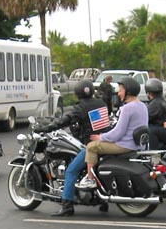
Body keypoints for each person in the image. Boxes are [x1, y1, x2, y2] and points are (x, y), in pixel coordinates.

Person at [49, 80, 111, 216]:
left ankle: (67, 205)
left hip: (92, 146)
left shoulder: (80, 108)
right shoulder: (101, 103)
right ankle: (102, 201)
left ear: (77, 93)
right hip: (106, 142)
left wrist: (47, 127)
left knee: (71, 171)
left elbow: (64, 121)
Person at [78, 78, 148, 189]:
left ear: (128, 91)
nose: (118, 93)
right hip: (137, 145)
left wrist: (101, 137)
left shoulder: (127, 108)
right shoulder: (142, 105)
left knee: (91, 147)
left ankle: (90, 179)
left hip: (125, 145)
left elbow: (118, 133)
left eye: (120, 90)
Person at [146, 78, 166, 143]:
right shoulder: (160, 101)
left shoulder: (155, 104)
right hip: (162, 130)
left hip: (158, 132)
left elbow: (146, 117)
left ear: (148, 93)